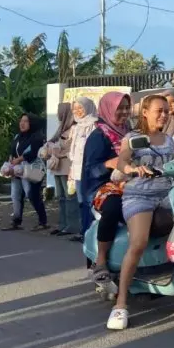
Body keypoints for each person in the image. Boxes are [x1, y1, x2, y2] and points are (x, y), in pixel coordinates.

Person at [107, 94, 174, 330]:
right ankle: (121, 303)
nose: (164, 115)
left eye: (167, 111)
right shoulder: (133, 138)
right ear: (145, 112)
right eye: (159, 110)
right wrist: (133, 169)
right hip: (140, 196)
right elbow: (121, 162)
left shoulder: (169, 141)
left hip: (167, 195)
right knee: (138, 242)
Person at [82, 92, 131, 290]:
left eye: (127, 107)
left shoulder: (128, 131)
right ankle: (101, 261)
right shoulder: (99, 135)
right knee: (113, 207)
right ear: (109, 109)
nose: (124, 112)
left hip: (127, 182)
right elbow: (91, 169)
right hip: (101, 186)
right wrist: (112, 163)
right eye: (119, 108)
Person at [2, 113, 49, 232]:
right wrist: (10, 163)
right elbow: (13, 150)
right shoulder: (18, 136)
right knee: (15, 195)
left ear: (31, 123)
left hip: (32, 169)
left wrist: (18, 160)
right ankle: (16, 221)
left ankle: (42, 221)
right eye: (21, 121)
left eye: (26, 121)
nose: (22, 124)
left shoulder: (37, 137)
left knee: (32, 194)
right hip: (17, 169)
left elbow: (33, 153)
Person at [69, 97, 99, 243]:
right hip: (77, 170)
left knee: (90, 202)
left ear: (88, 107)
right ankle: (83, 230)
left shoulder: (94, 125)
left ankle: (90, 232)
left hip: (89, 171)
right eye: (75, 109)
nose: (78, 111)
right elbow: (73, 151)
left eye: (80, 108)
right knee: (81, 202)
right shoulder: (77, 126)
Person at [46, 103, 76, 236]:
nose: (58, 114)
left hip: (66, 167)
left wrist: (61, 153)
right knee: (61, 198)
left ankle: (72, 226)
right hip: (57, 167)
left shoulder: (74, 129)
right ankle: (62, 224)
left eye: (60, 112)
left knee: (70, 197)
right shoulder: (61, 128)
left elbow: (74, 149)